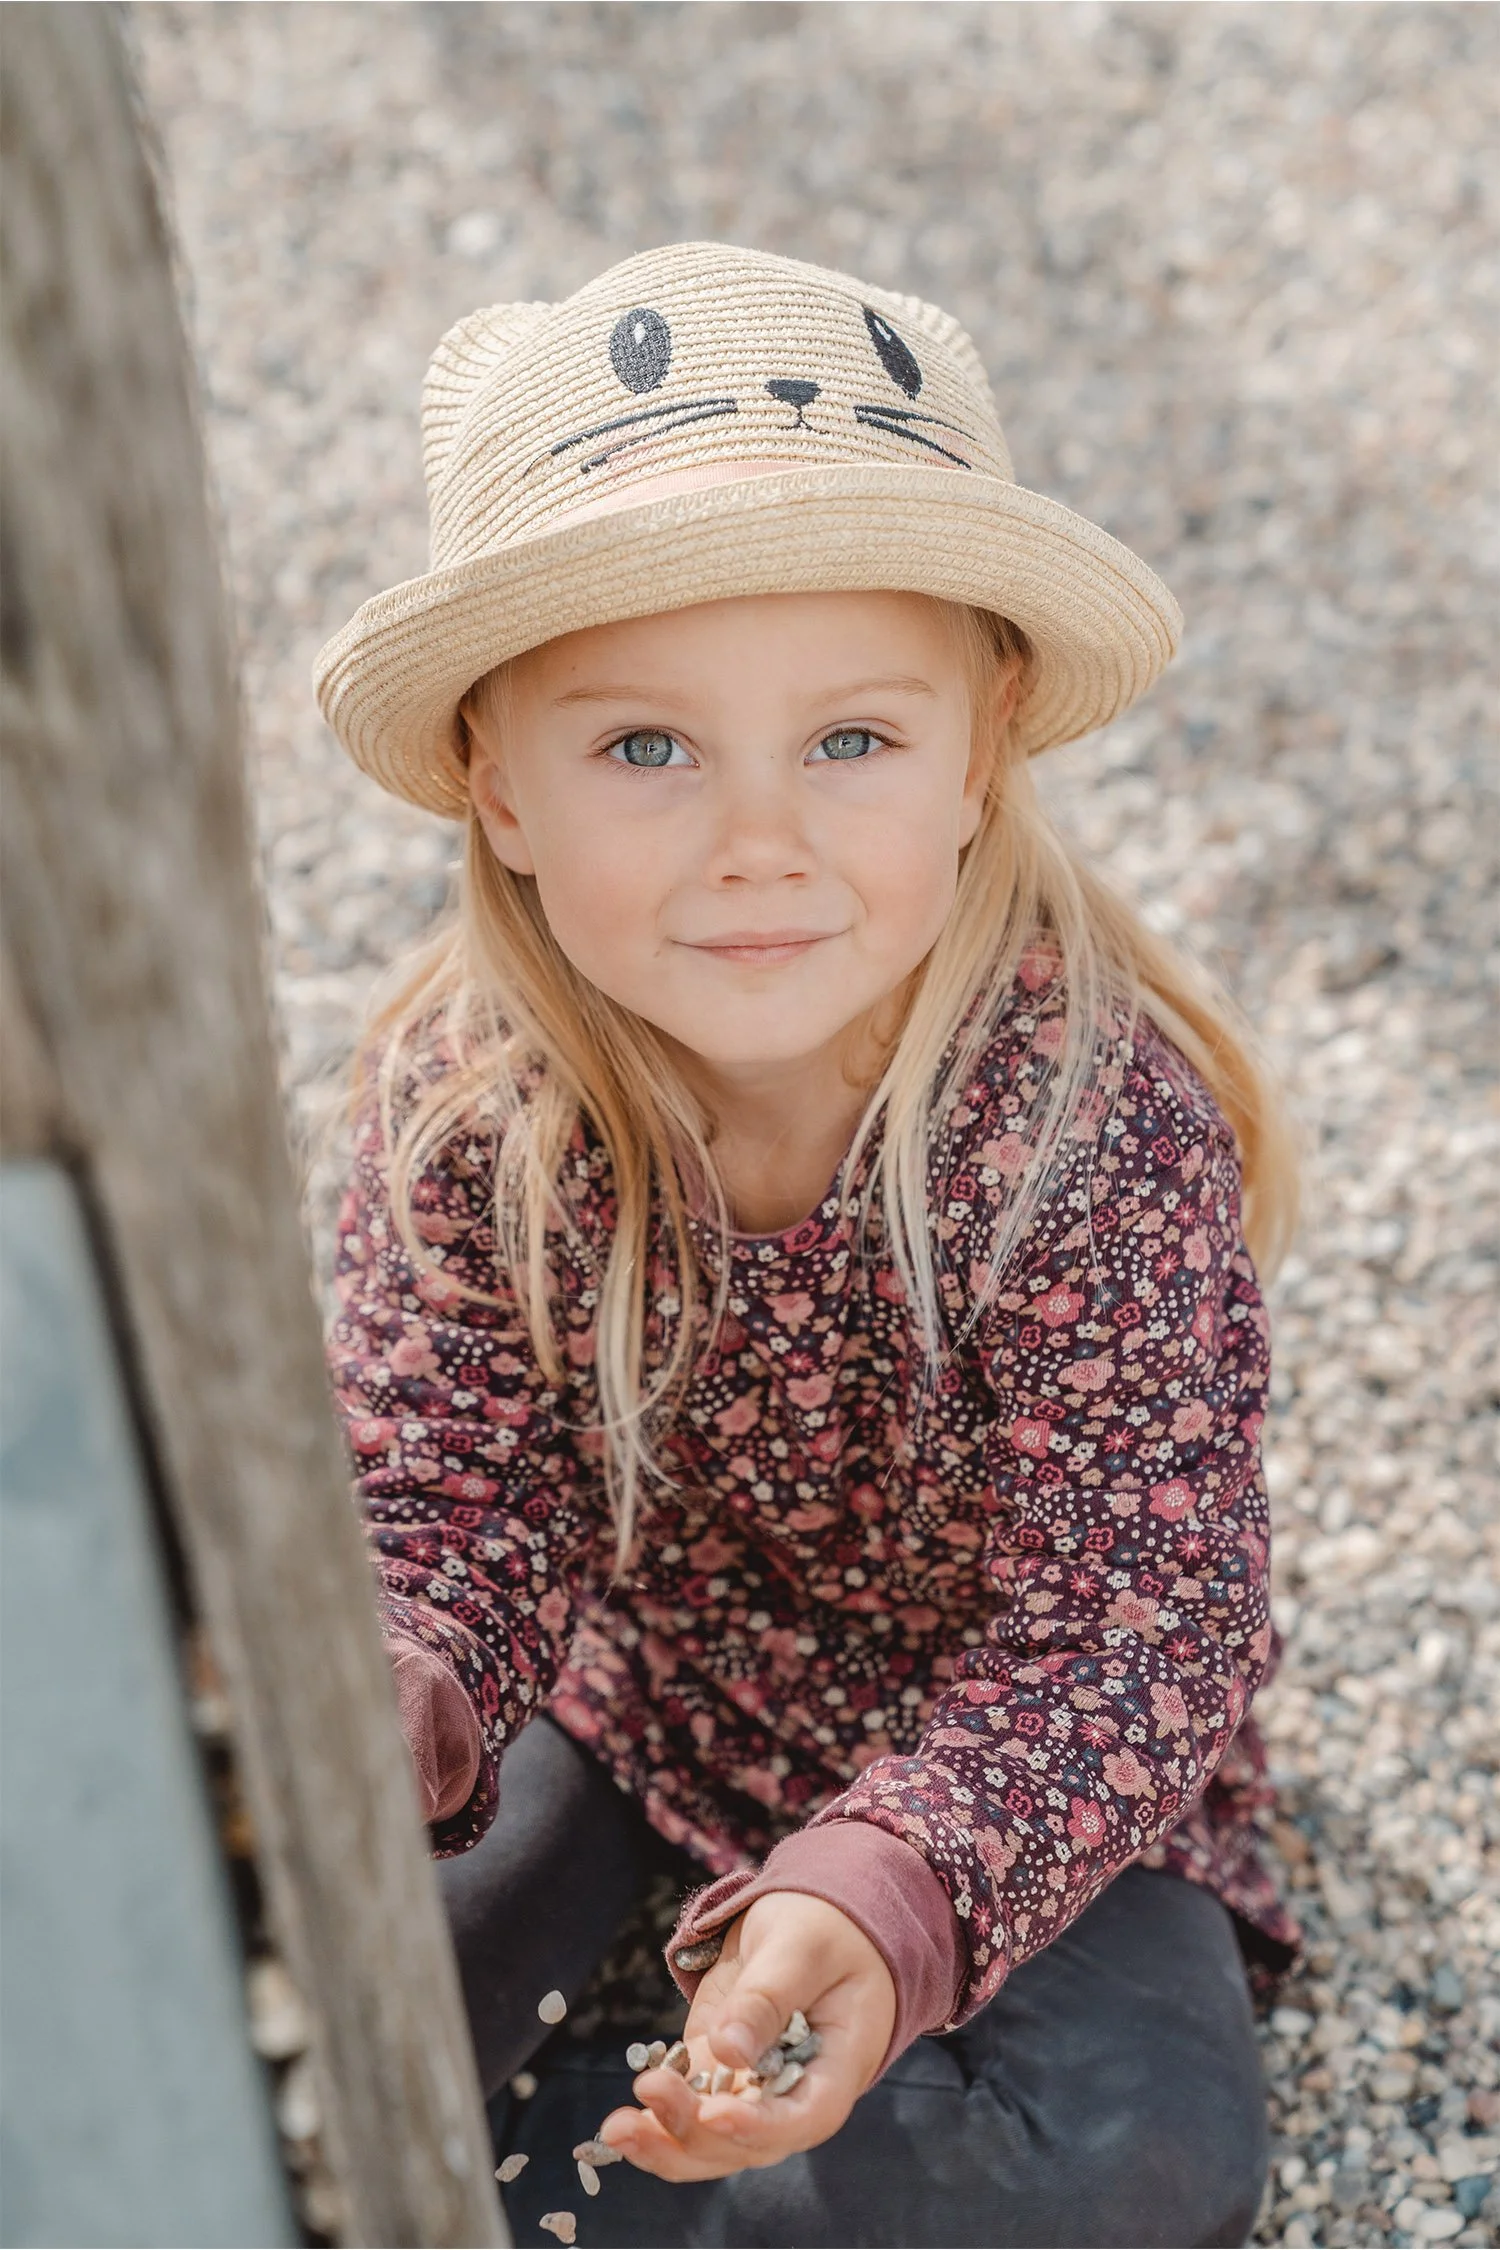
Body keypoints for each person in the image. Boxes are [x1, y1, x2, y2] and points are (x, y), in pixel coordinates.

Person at [314, 243, 1302, 2248]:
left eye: (848, 740)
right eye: (647, 749)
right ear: (496, 782)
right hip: (632, 1693)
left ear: (982, 743)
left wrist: (880, 1891)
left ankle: (582, 2170)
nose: (757, 843)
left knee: (1144, 2155)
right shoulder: (471, 1111)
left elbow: (1132, 1625)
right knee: (303, 1961)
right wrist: (395, 1683)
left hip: (1022, 1755)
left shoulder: (1086, 1133)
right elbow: (444, 1486)